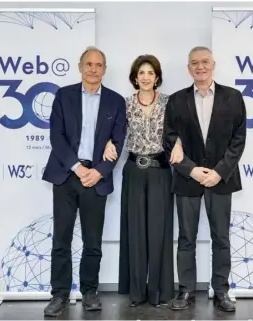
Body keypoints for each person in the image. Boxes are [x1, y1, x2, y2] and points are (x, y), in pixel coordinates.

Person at [42, 46, 127, 316]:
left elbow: (119, 141)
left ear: (104, 69)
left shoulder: (115, 101)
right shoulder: (64, 95)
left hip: (96, 178)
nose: (93, 69)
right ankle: (60, 295)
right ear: (80, 67)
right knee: (62, 239)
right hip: (68, 176)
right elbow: (56, 136)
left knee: (93, 241)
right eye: (88, 64)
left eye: (98, 65)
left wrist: (99, 171)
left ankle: (89, 291)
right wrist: (78, 168)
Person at [162, 46, 247, 312]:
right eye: (195, 63)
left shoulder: (233, 97)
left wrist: (220, 171)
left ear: (213, 65)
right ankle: (185, 290)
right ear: (188, 68)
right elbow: (169, 140)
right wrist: (191, 169)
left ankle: (221, 290)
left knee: (220, 237)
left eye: (205, 62)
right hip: (189, 179)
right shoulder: (176, 100)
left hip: (222, 179)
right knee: (186, 237)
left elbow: (239, 139)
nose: (200, 67)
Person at [102, 54, 184, 307]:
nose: (146, 77)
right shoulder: (125, 104)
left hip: (160, 170)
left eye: (150, 72)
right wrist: (107, 141)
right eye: (141, 73)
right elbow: (113, 131)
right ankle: (136, 292)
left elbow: (180, 131)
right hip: (134, 171)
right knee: (135, 231)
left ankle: (159, 291)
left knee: (159, 231)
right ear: (135, 78)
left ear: (157, 77)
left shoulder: (170, 103)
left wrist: (179, 143)